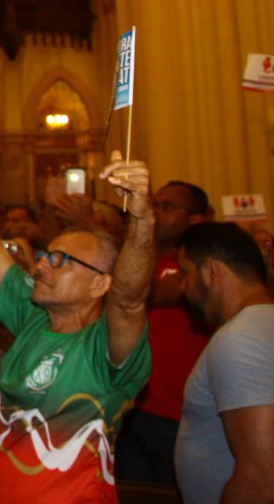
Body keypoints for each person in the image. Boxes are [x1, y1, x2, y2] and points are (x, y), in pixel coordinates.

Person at [0, 124, 154, 502]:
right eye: (43, 256)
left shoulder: (107, 350)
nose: (40, 266)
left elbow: (130, 299)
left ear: (100, 284)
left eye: (60, 261)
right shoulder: (34, 316)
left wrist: (142, 219)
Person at [118, 179, 212, 485]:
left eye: (167, 207)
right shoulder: (144, 261)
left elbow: (143, 293)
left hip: (181, 415)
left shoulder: (203, 268)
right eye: (155, 205)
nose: (157, 212)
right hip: (134, 407)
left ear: (196, 219)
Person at [173, 221, 274, 503]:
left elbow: (262, 480)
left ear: (211, 271)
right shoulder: (263, 322)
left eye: (184, 273)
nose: (182, 287)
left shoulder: (240, 339)